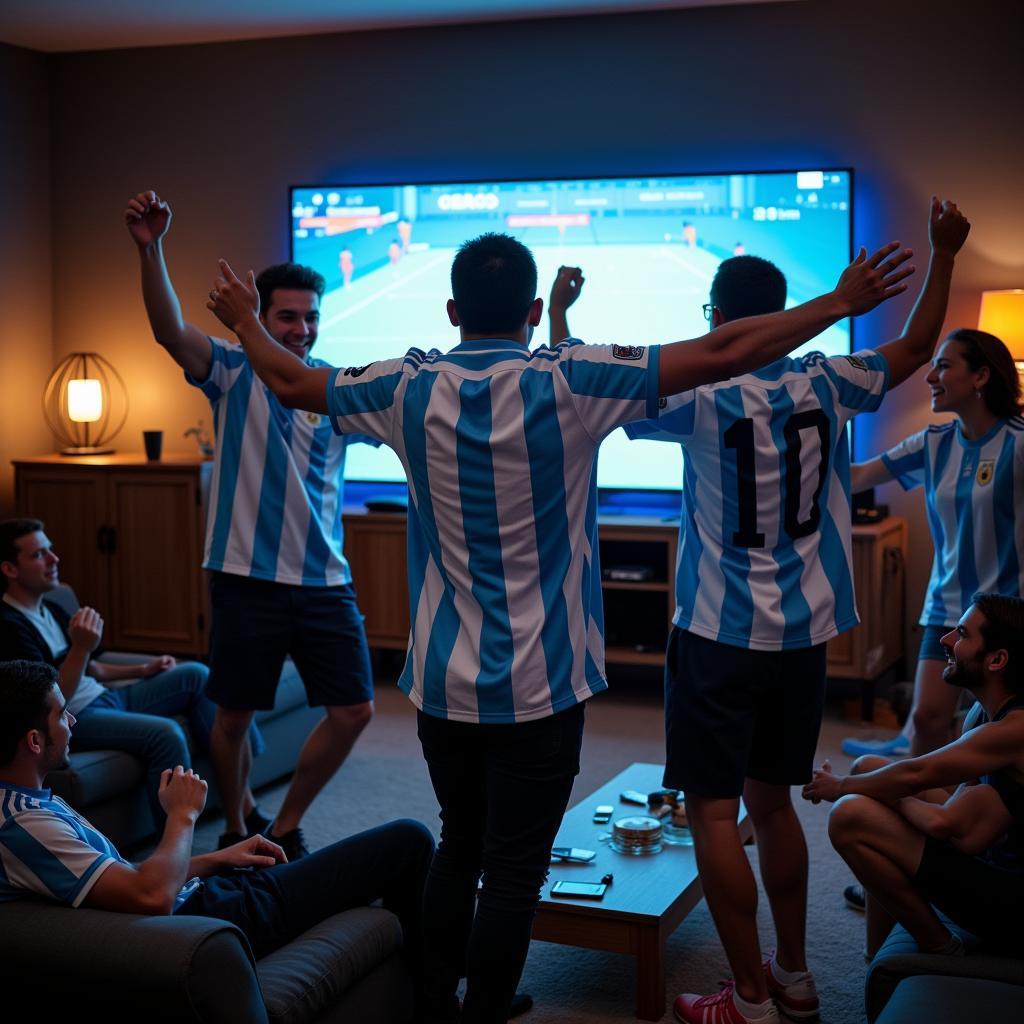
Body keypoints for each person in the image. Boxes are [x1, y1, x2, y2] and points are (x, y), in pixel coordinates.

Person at [204, 228, 912, 1024]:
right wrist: (840, 306)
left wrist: (245, 322)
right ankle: (489, 1010)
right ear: (536, 311)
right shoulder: (573, 376)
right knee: (514, 867)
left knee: (459, 844)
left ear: (450, 310)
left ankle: (437, 1003)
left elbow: (292, 382)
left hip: (444, 682)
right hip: (549, 682)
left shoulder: (405, 383)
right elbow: (722, 355)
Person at [624, 198, 970, 1024]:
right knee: (773, 801)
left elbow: (609, 390)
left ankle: (746, 997)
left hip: (717, 632)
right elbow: (920, 346)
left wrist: (563, 316)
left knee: (714, 811)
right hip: (803, 635)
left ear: (716, 320)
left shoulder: (695, 391)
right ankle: (796, 976)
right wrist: (944, 253)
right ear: (782, 313)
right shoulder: (833, 377)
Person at [125, 190, 378, 860]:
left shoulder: (335, 383)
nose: (301, 329)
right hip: (244, 577)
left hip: (324, 578)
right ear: (260, 317)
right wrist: (151, 250)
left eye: (310, 318)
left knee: (355, 711)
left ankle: (284, 826)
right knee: (231, 718)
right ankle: (239, 827)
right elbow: (167, 329)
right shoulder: (233, 370)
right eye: (287, 317)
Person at [0, 659, 433, 996]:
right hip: (211, 920)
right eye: (62, 715)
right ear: (35, 741)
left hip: (210, 898)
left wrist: (212, 859)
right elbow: (150, 896)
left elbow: (119, 876)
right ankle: (445, 990)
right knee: (408, 840)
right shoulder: (23, 822)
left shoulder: (27, 804)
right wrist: (182, 815)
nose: (73, 721)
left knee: (372, 870)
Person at [0, 518, 263, 828]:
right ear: (10, 569)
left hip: (105, 697)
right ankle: (176, 849)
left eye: (51, 550)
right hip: (73, 717)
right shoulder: (9, 625)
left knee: (196, 674)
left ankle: (244, 803)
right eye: (39, 554)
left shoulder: (51, 608)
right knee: (165, 734)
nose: (54, 560)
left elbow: (93, 666)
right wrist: (81, 648)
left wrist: (142, 669)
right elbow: (49, 701)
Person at [803, 594, 1024, 957]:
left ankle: (940, 947)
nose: (945, 640)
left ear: (997, 659)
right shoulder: (981, 714)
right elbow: (958, 813)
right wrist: (876, 787)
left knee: (850, 814)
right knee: (869, 767)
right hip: (991, 858)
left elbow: (918, 775)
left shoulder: (1014, 728)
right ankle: (879, 959)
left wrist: (841, 786)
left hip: (1013, 905)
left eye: (962, 634)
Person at [842, 328, 1024, 762]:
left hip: (1010, 610)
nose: (930, 377)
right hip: (946, 605)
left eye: (944, 365)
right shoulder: (933, 442)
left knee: (997, 726)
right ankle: (929, 815)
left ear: (980, 376)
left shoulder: (1019, 441)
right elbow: (859, 477)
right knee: (927, 718)